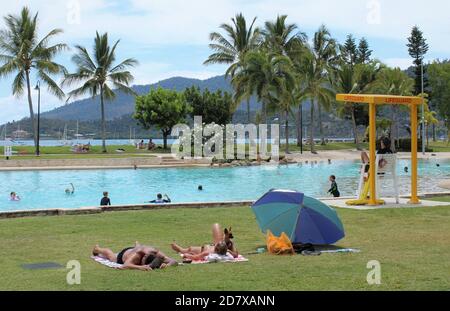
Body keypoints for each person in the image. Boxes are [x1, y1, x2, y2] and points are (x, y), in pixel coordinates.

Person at [170, 224, 239, 261]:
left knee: (188, 250)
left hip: (202, 250)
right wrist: (231, 244)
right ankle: (179, 249)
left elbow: (195, 257)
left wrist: (186, 255)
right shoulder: (227, 252)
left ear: (216, 248)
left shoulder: (209, 253)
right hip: (207, 248)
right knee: (216, 225)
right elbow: (236, 254)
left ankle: (178, 249)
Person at [92, 242, 177, 271]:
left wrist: (167, 265)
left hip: (137, 249)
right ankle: (97, 249)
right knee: (110, 255)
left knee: (139, 248)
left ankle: (137, 245)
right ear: (143, 257)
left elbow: (174, 261)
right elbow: (125, 265)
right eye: (144, 262)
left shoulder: (157, 253)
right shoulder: (137, 255)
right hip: (124, 255)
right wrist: (140, 267)